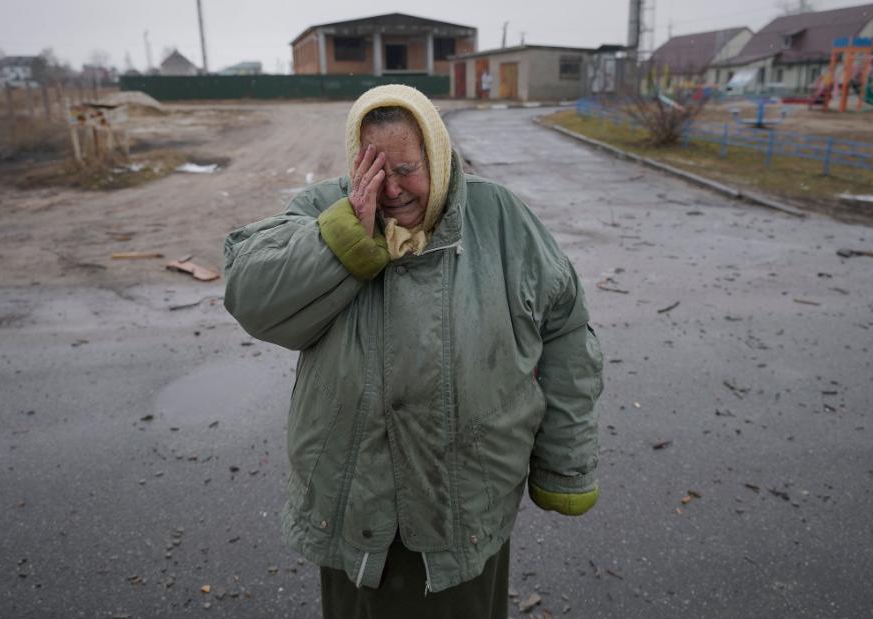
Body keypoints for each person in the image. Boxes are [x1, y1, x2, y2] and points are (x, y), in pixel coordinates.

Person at [223, 85, 603, 618]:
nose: (391, 189)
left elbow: (566, 330)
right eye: (373, 169)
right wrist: (341, 240)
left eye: (405, 168)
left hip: (467, 508)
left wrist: (566, 463)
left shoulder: (501, 219)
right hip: (353, 504)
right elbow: (251, 296)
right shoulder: (321, 211)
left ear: (440, 158)